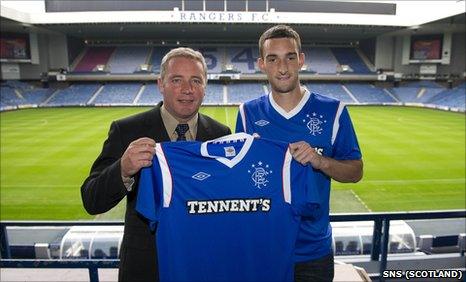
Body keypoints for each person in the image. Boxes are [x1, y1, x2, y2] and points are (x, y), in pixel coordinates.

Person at [81, 47, 231, 282]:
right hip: (148, 267)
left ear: (205, 86)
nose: (187, 89)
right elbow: (91, 200)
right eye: (176, 80)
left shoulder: (221, 135)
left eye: (196, 80)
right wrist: (123, 168)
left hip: (203, 263)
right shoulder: (126, 130)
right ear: (160, 84)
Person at [236, 25, 363, 282]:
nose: (282, 68)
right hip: (264, 247)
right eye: (273, 59)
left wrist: (320, 161)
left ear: (301, 60)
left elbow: (356, 172)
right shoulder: (247, 113)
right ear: (261, 64)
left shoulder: (334, 111)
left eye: (290, 57)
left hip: (313, 252)